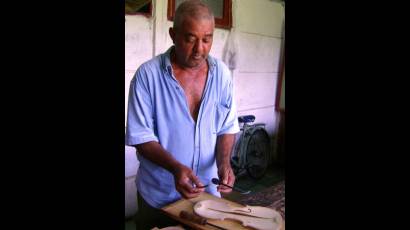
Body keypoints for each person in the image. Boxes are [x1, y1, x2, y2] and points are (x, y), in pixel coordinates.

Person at [125, 0, 240, 228]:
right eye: (190, 39)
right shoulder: (147, 77)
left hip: (208, 197)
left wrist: (224, 163)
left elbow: (227, 127)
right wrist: (176, 168)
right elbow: (141, 136)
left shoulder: (222, 76)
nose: (200, 49)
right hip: (159, 199)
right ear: (173, 34)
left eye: (207, 39)